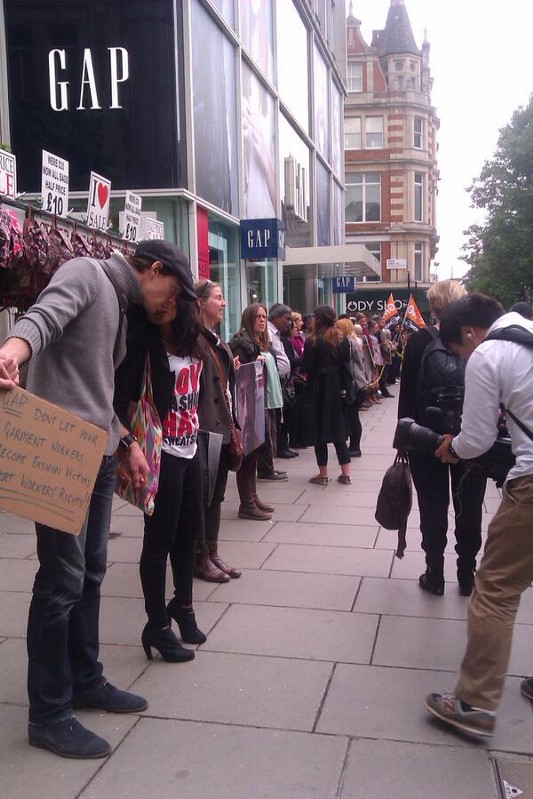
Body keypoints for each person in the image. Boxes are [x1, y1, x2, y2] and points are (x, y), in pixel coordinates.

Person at [0, 239, 192, 759]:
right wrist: (11, 353)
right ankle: (49, 711)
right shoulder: (85, 273)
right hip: (60, 455)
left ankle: (86, 678)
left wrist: (126, 442)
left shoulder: (118, 303)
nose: (169, 308)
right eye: (172, 295)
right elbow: (41, 319)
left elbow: (98, 392)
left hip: (99, 455)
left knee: (89, 573)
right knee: (60, 581)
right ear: (154, 270)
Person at [425, 293, 533, 739]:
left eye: (458, 350)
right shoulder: (529, 334)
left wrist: (451, 447)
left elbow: (478, 438)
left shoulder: (488, 353)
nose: (461, 358)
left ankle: (473, 705)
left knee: (495, 588)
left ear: (469, 333)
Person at [114, 287, 206, 665]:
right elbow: (120, 399)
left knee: (189, 536)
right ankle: (156, 624)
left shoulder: (194, 342)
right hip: (160, 452)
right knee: (159, 541)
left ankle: (182, 606)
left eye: (174, 298)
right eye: (161, 298)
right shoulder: (143, 345)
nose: (166, 303)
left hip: (192, 448)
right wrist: (127, 447)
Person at [398, 279, 487, 597]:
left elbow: (406, 395)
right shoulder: (473, 341)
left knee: (433, 507)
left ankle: (434, 574)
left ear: (433, 306)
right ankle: (466, 576)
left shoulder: (419, 341)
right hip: (470, 438)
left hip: (427, 440)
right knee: (470, 507)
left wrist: (406, 440)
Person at [194, 279, 242, 581]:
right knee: (204, 497)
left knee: (217, 497)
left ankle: (211, 551)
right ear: (201, 302)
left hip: (221, 425)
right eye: (218, 297)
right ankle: (200, 556)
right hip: (205, 428)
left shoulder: (212, 339)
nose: (224, 303)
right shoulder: (194, 339)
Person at [229, 303, 280, 518]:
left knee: (253, 453)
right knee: (247, 455)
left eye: (264, 316)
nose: (262, 320)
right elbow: (239, 378)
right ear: (249, 319)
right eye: (258, 316)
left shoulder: (254, 343)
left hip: (254, 405)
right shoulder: (243, 344)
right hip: (245, 409)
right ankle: (247, 503)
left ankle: (252, 497)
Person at [301, 306, 352, 485]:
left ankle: (323, 473)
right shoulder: (342, 339)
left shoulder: (312, 340)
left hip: (318, 388)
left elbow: (307, 367)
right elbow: (347, 364)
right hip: (338, 387)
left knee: (318, 430)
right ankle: (346, 473)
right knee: (339, 429)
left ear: (319, 319)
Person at [264, 302, 298, 459]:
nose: (289, 323)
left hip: (282, 380)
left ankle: (282, 446)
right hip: (274, 379)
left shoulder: (277, 334)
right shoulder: (268, 333)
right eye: (287, 318)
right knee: (278, 415)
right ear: (277, 317)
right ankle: (279, 448)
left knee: (284, 414)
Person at [336, 317, 366, 457]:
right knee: (353, 416)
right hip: (359, 382)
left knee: (353, 417)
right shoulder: (354, 341)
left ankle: (355, 446)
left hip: (354, 383)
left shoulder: (349, 342)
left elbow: (348, 364)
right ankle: (354, 445)